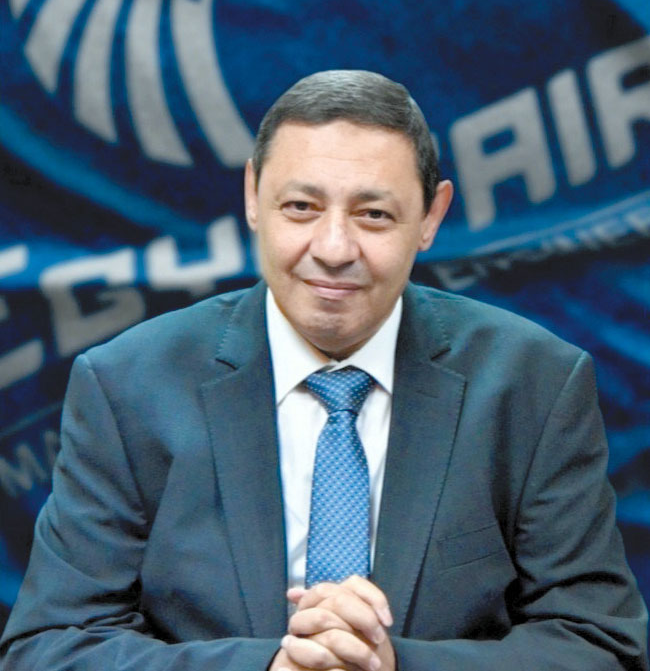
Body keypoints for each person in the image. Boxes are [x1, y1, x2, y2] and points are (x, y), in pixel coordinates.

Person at [0, 70, 647, 671]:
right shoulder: (127, 385)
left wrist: (393, 663)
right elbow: (51, 643)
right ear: (253, 196)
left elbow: (601, 643)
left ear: (431, 216)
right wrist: (269, 666)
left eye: (374, 214)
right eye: (302, 207)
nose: (334, 249)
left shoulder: (535, 384)